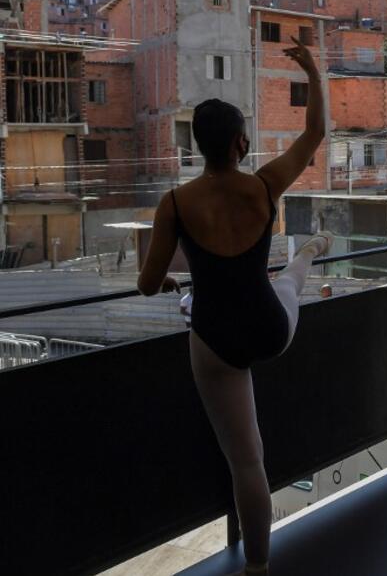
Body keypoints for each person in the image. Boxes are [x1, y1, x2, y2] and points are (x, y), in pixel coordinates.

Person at [137, 37, 332, 576]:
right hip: (268, 327)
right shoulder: (264, 187)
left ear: (199, 145)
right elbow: (315, 134)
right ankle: (309, 253)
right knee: (288, 284)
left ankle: (256, 567)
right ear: (241, 143)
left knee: (247, 462)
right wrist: (313, 72)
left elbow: (147, 283)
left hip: (216, 342)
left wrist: (175, 277)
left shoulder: (175, 204)